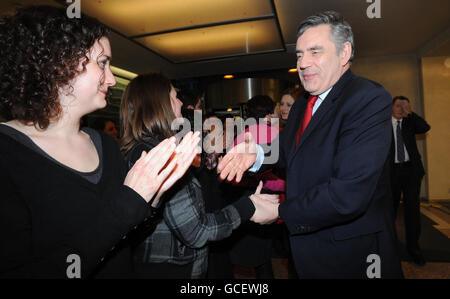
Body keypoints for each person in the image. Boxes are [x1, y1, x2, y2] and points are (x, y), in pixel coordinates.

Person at [0, 6, 199, 278]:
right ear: (60, 63)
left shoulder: (104, 145)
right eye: (102, 63)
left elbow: (127, 238)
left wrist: (154, 195)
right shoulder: (9, 154)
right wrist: (129, 203)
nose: (112, 79)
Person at [217, 11, 403, 279]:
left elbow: (347, 194)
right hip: (306, 249)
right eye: (300, 55)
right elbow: (287, 150)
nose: (303, 63)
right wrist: (256, 152)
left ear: (344, 53)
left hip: (352, 254)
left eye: (315, 52)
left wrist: (280, 210)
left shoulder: (368, 99)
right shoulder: (303, 104)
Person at [120, 73, 277, 279]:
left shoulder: (141, 148)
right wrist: (250, 207)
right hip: (173, 269)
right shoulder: (161, 154)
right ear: (160, 103)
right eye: (175, 97)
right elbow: (196, 230)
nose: (180, 104)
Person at [391, 95, 430, 266]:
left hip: (410, 172)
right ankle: (389, 247)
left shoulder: (409, 123)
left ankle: (414, 249)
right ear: (391, 107)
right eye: (398, 105)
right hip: (390, 173)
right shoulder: (382, 125)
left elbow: (425, 127)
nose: (401, 109)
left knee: (412, 212)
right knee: (389, 211)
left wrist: (410, 112)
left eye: (405, 106)